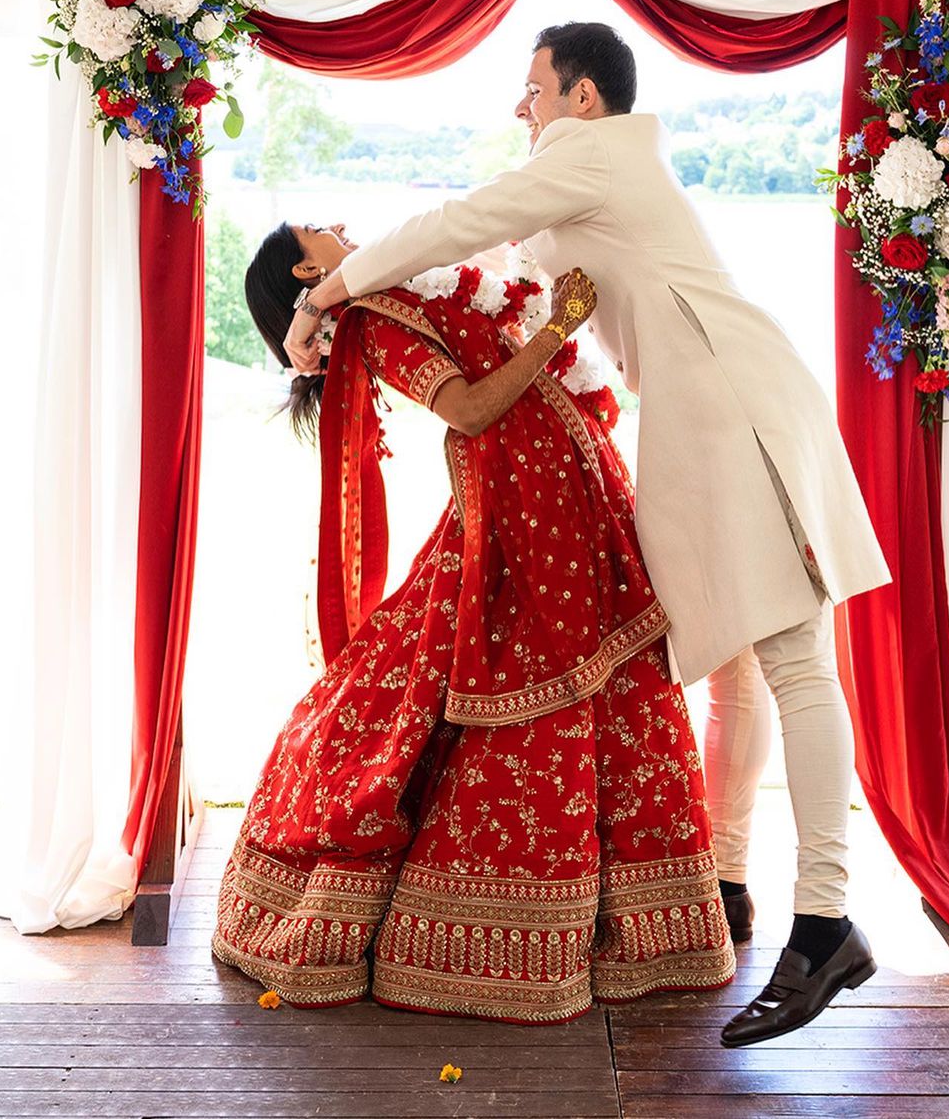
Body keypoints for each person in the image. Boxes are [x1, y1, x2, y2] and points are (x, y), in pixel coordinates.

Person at [282, 23, 891, 1046]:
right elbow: (473, 255)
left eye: (533, 89)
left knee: (794, 660)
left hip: (732, 401)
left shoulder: (591, 156)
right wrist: (331, 307)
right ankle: (731, 883)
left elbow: (459, 220)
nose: (520, 108)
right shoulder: (582, 180)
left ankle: (826, 924)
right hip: (707, 411)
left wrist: (324, 293)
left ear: (582, 98)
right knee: (740, 662)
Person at [211, 220, 736, 1022]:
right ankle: (505, 931)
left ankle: (637, 928)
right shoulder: (379, 320)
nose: (340, 227)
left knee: (615, 688)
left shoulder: (399, 290)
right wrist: (558, 328)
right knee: (498, 683)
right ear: (307, 269)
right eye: (320, 231)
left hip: (566, 500)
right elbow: (469, 409)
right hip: (522, 519)